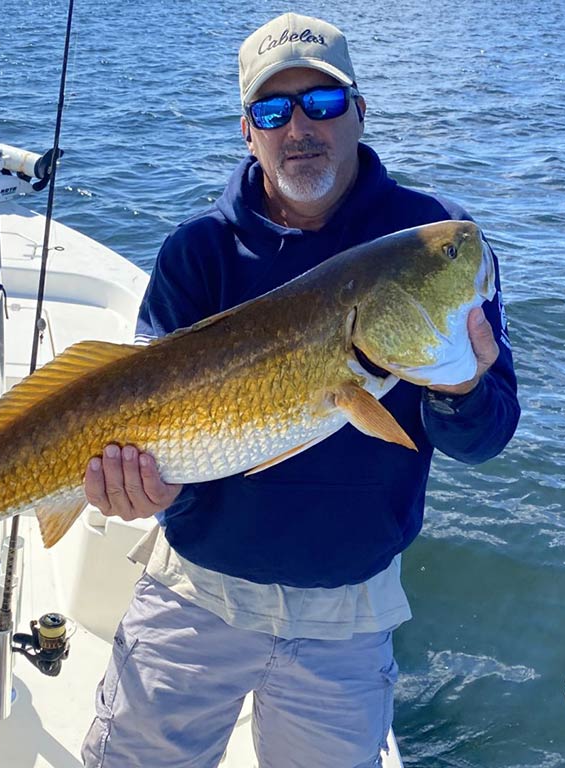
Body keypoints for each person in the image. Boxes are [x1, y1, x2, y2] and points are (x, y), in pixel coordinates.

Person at [81, 12, 520, 768]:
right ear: (247, 132)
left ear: (358, 112)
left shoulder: (430, 243)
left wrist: (463, 388)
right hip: (197, 594)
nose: (299, 128)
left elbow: (484, 439)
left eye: (320, 103)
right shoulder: (198, 252)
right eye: (273, 111)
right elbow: (150, 426)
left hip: (347, 617)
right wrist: (148, 491)